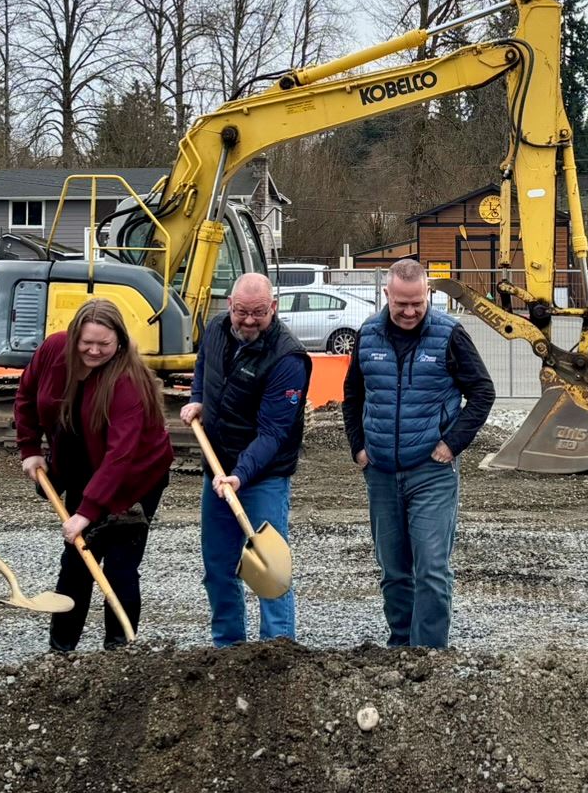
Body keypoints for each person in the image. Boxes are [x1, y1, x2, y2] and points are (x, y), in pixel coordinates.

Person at [342, 258, 494, 649]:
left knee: (431, 569)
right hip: (380, 473)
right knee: (394, 570)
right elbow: (352, 395)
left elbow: (482, 393)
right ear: (386, 295)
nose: (409, 312)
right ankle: (401, 645)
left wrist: (452, 443)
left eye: (417, 303)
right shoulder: (368, 335)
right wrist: (358, 447)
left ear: (427, 294)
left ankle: (428, 653)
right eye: (401, 304)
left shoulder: (449, 335)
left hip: (431, 472)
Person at [16, 298, 172, 651]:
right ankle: (61, 651)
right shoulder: (54, 351)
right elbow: (26, 395)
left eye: (104, 344)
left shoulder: (127, 381)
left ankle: (119, 651)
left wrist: (85, 514)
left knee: (119, 564)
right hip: (84, 466)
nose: (94, 350)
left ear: (119, 341)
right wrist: (29, 449)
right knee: (76, 560)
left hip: (135, 476)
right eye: (87, 342)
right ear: (74, 337)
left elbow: (121, 455)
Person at [181, 272, 308, 645]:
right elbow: (204, 367)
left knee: (269, 570)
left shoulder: (288, 357)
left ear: (273, 307)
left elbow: (273, 433)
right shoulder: (218, 328)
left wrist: (239, 476)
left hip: (263, 476)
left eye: (258, 313)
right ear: (230, 306)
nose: (249, 321)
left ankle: (277, 649)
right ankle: (228, 649)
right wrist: (198, 397)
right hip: (217, 471)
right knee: (219, 568)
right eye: (241, 312)